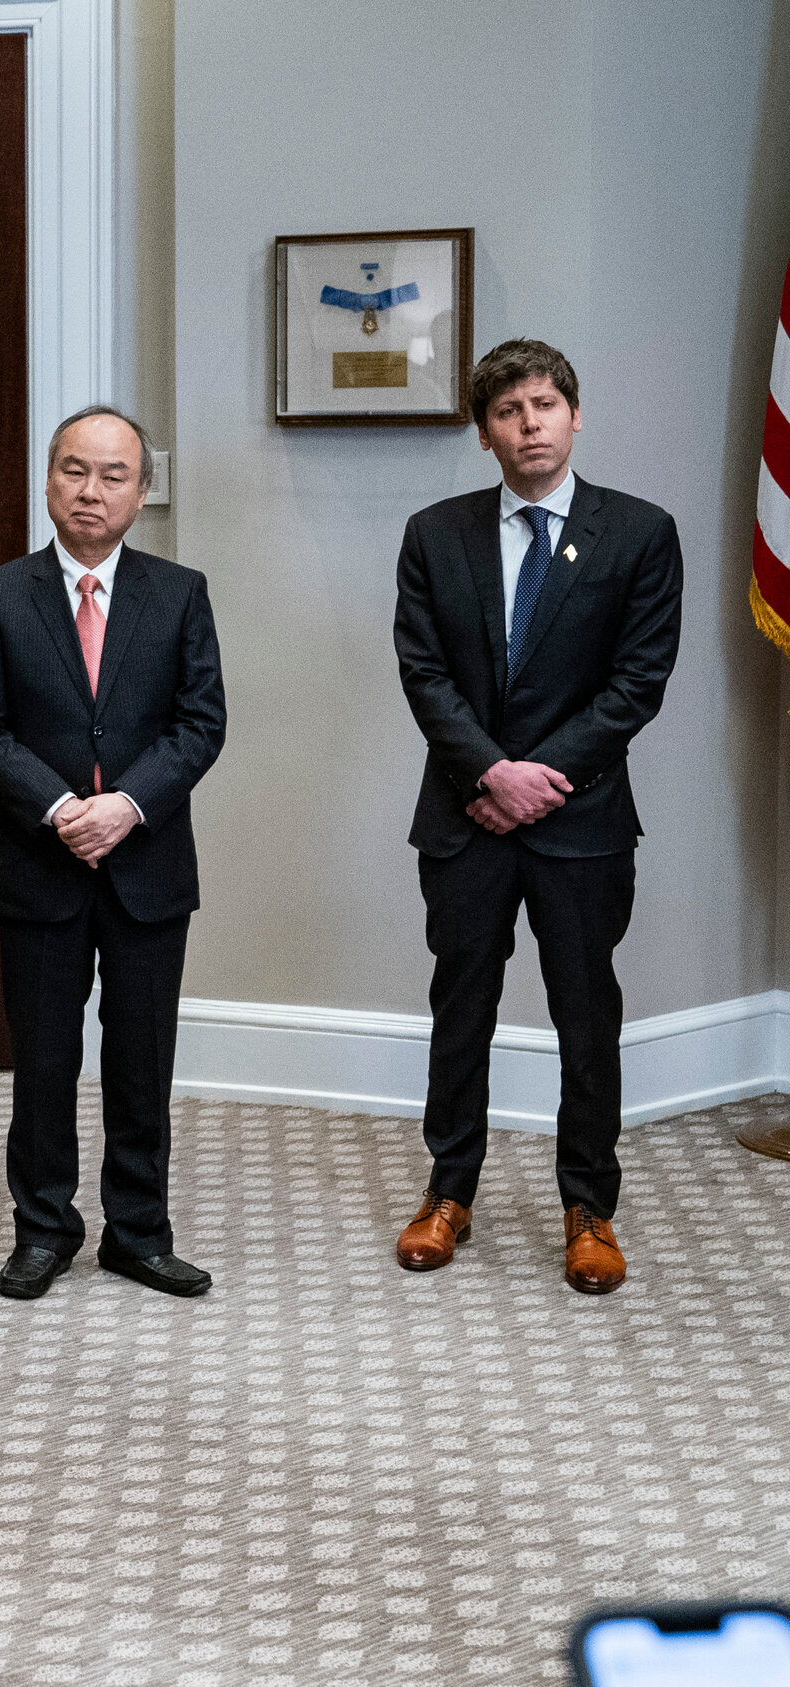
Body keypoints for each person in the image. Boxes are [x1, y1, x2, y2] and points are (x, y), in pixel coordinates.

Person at [390, 339, 681, 1295]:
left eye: (546, 404)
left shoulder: (639, 533)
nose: (530, 424)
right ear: (485, 433)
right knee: (459, 1005)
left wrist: (535, 777)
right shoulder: (436, 533)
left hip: (581, 819)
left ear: (575, 415)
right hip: (464, 816)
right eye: (509, 410)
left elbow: (637, 683)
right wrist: (488, 771)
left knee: (584, 1012)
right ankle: (448, 1194)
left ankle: (588, 1206)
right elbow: (423, 673)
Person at [0, 405, 226, 1302]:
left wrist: (129, 806)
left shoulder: (180, 592)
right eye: (74, 470)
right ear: (47, 481)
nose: (91, 490)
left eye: (113, 475)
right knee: (44, 1061)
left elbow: (201, 723)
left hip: (147, 867)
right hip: (42, 864)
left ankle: (139, 1233)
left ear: (142, 493)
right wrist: (64, 807)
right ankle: (45, 1228)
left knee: (142, 1060)